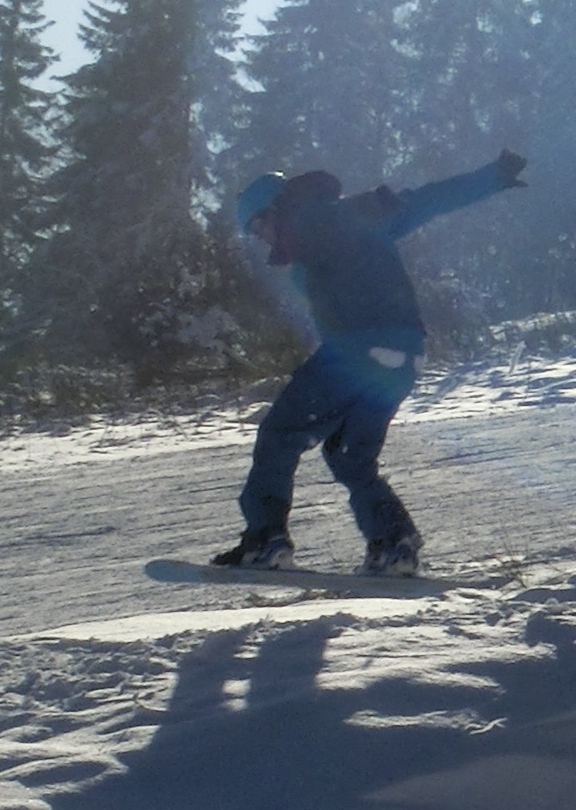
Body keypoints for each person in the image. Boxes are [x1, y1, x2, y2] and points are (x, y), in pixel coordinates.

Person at [216, 150, 525, 571]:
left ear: (275, 210)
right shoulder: (343, 226)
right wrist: (492, 178)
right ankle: (393, 542)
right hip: (405, 357)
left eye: (258, 225)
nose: (261, 237)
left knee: (281, 433)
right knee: (349, 455)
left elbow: (420, 201)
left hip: (359, 350)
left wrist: (490, 176)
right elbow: (425, 202)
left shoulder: (328, 219)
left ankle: (264, 540)